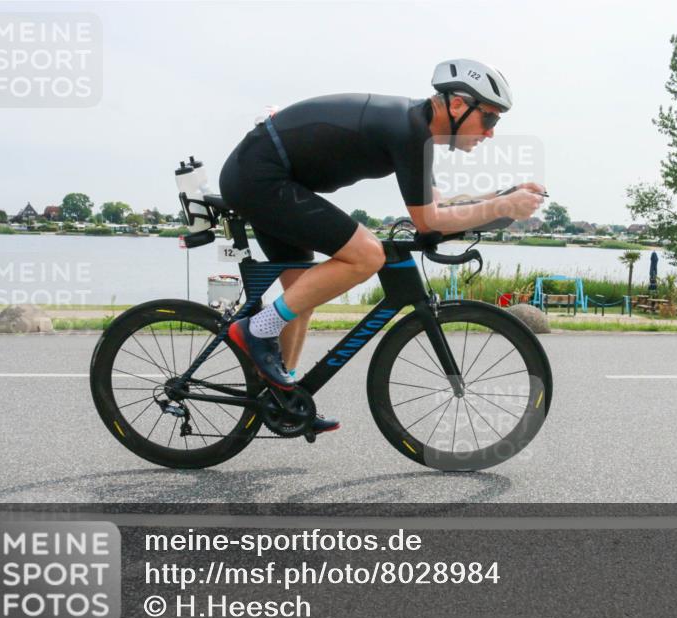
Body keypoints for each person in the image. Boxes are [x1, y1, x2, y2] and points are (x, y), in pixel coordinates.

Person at [219, 58, 545, 434]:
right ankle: (256, 329)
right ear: (457, 105)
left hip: (271, 178)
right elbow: (428, 221)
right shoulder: (408, 129)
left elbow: (437, 208)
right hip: (259, 177)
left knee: (300, 296)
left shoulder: (414, 131)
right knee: (367, 254)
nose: (490, 133)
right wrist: (503, 206)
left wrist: (502, 199)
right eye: (489, 118)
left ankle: (282, 398)